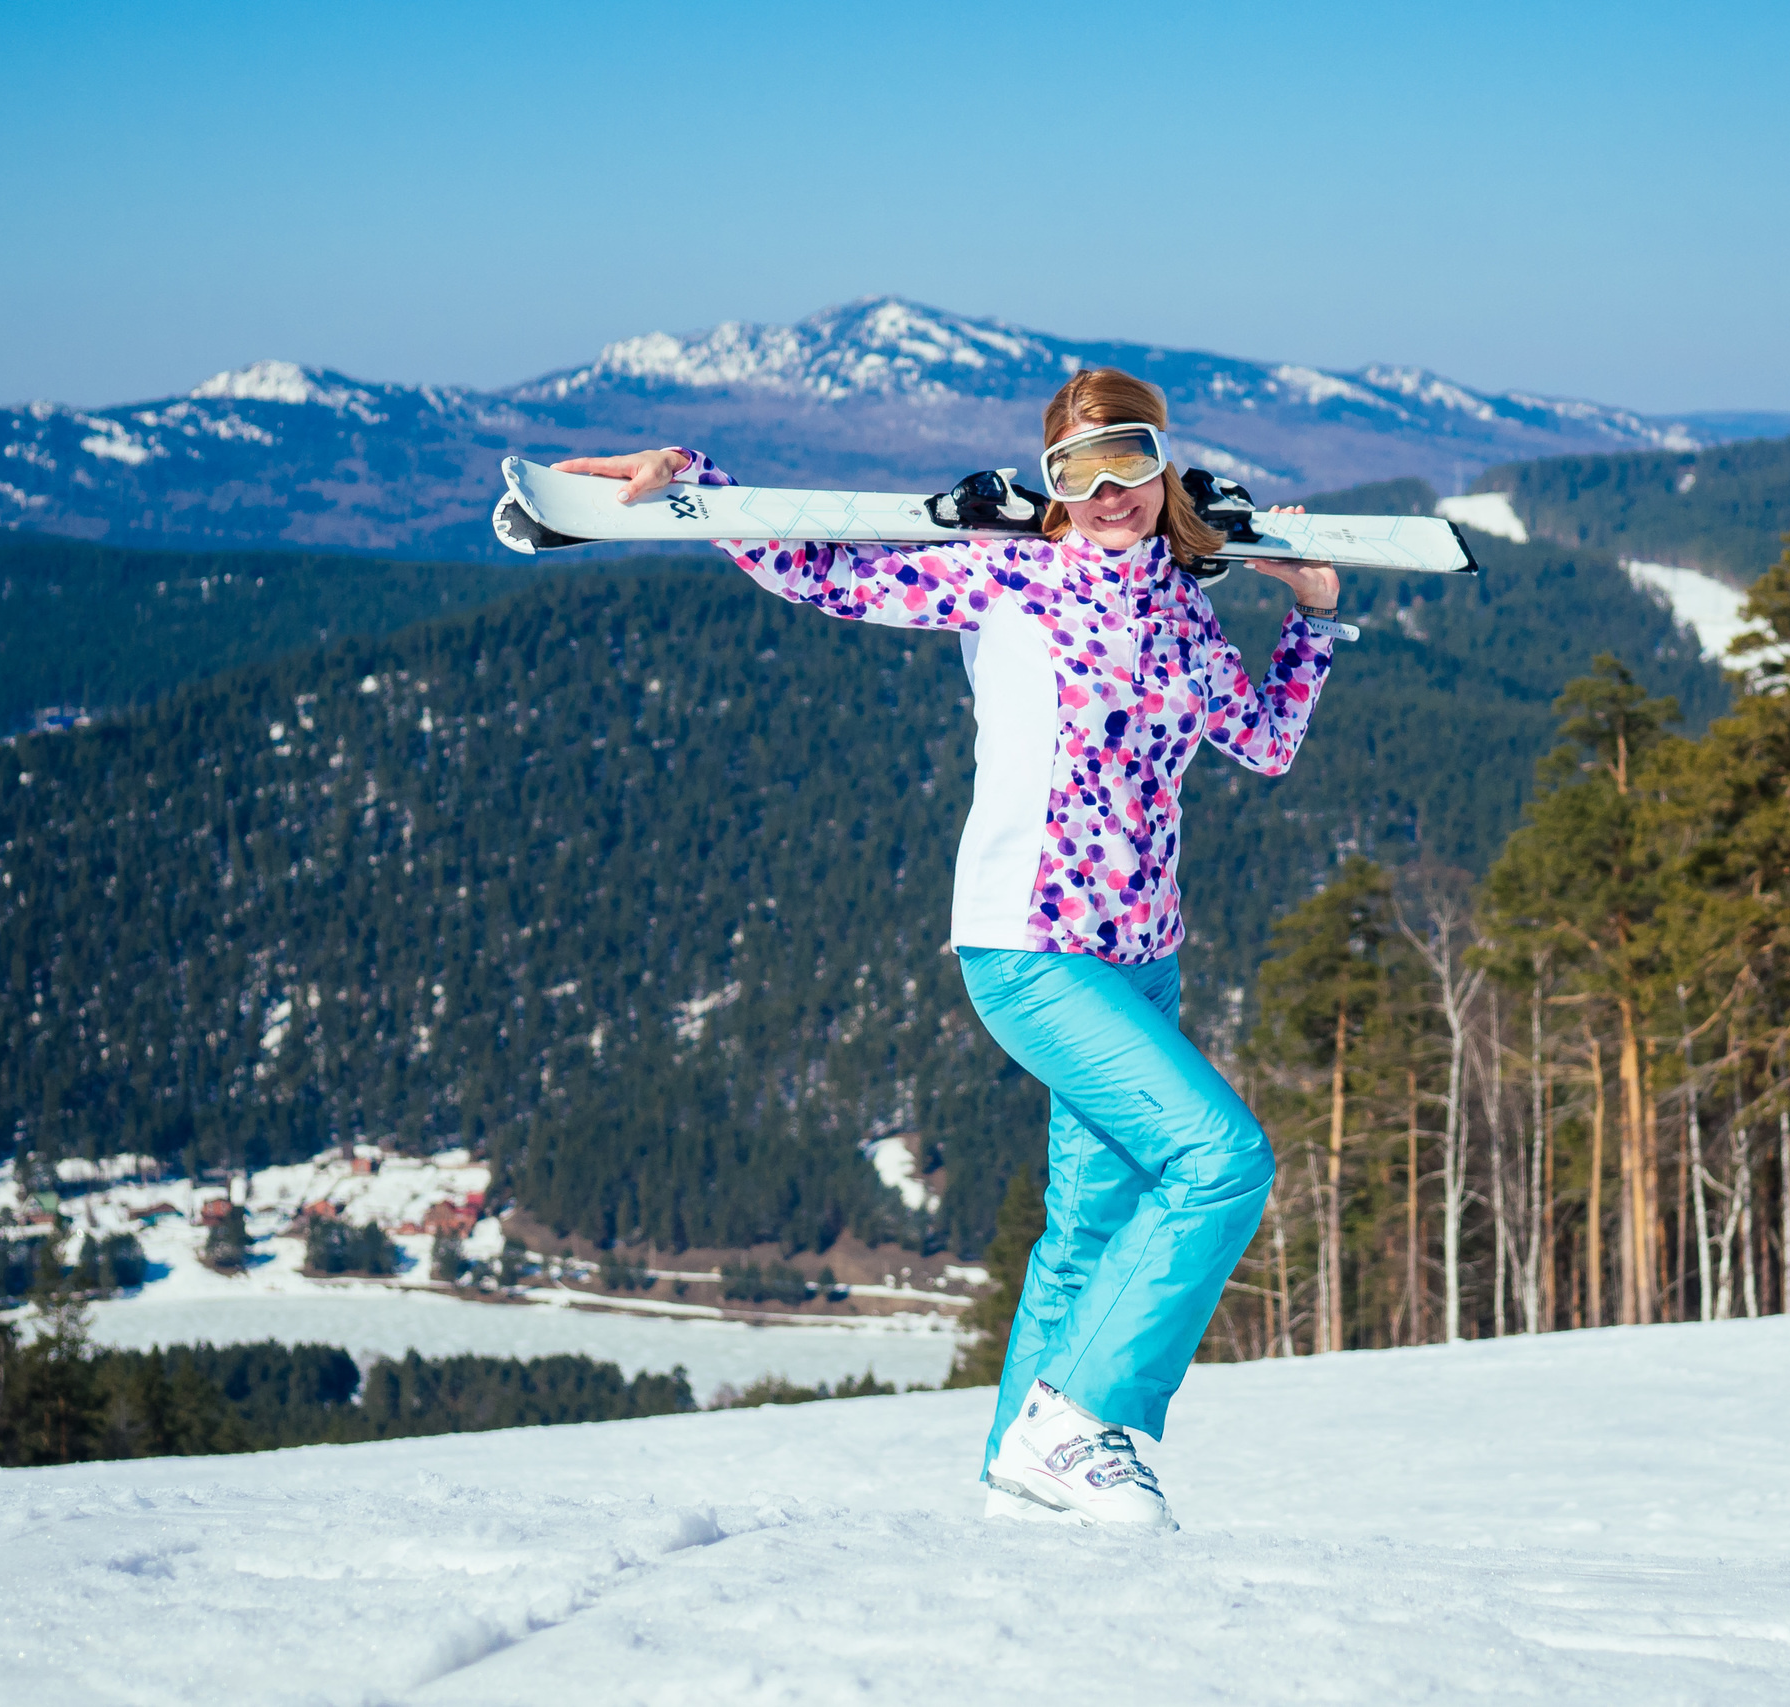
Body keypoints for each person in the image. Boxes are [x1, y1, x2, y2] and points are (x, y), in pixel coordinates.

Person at [558, 368, 1346, 1529]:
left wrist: (1314, 619)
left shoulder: (1183, 605)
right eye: (1078, 469)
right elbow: (825, 574)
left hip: (1143, 957)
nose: (1108, 488)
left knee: (1084, 1234)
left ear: (1161, 467)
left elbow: (1268, 744)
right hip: (1029, 950)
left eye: (1129, 460)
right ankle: (1079, 1421)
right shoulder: (1006, 573)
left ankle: (1015, 1482)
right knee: (1221, 1162)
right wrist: (694, 483)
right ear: (1050, 481)